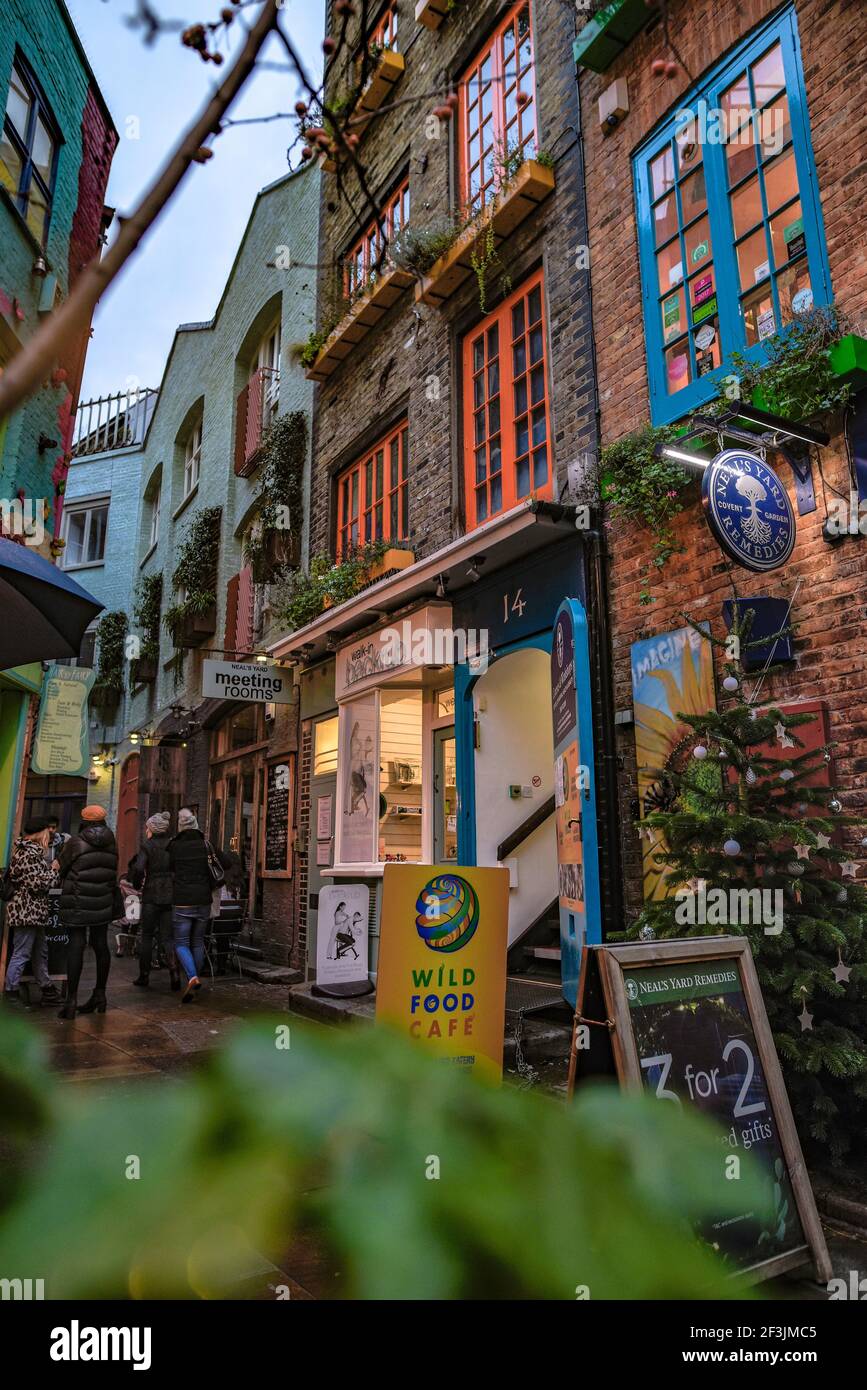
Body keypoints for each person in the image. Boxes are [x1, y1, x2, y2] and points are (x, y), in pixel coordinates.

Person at [56, 805, 119, 1019]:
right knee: (101, 946)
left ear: (84, 820)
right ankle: (100, 995)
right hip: (102, 901)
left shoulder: (75, 842)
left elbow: (62, 869)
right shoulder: (112, 842)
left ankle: (71, 1000)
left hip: (77, 901)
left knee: (76, 946)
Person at [168, 808, 226, 1003]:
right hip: (203, 900)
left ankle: (192, 977)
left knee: (181, 942)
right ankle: (196, 977)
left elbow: (168, 868)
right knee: (198, 941)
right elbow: (225, 862)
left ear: (181, 827)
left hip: (182, 900)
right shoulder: (206, 844)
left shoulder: (174, 846)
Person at [3, 817, 60, 1005]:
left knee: (39, 951)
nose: (49, 835)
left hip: (33, 912)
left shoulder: (27, 851)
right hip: (27, 911)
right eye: (47, 832)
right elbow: (39, 884)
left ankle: (47, 988)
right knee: (22, 953)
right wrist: (54, 870)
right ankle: (11, 993)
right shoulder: (29, 854)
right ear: (39, 833)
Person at [128, 812, 179, 991]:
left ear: (152, 828)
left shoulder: (147, 846)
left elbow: (139, 867)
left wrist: (136, 883)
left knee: (147, 935)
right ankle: (174, 972)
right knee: (167, 936)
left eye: (147, 827)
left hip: (152, 893)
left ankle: (144, 975)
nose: (146, 830)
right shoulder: (174, 845)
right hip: (170, 892)